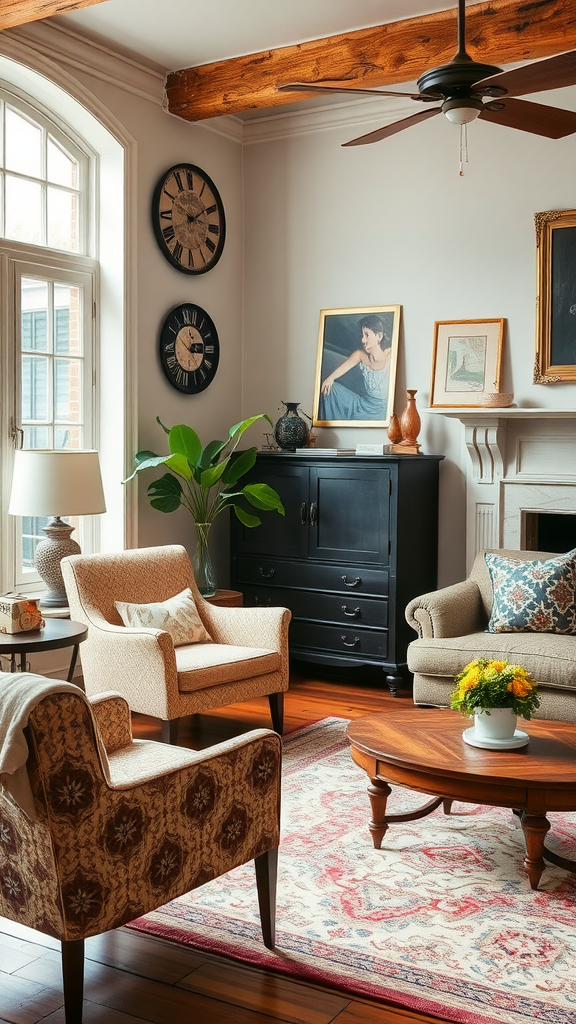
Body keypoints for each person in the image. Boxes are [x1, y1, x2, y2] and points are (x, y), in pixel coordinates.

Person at [318, 314, 391, 421]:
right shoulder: (360, 355)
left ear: (379, 336)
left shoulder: (390, 356)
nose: (363, 340)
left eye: (367, 335)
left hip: (381, 411)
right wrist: (330, 379)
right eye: (362, 335)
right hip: (363, 404)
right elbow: (341, 369)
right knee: (330, 388)